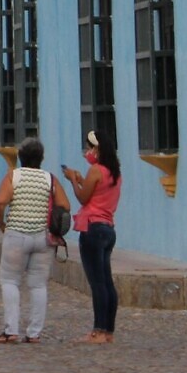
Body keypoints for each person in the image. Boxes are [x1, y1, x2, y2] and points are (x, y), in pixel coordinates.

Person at [0, 137, 68, 344]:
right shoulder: (49, 179)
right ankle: (34, 332)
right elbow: (65, 205)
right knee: (38, 285)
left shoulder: (14, 176)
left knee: (9, 281)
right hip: (43, 239)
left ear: (20, 157)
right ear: (41, 159)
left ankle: (11, 329)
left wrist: (1, 222)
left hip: (16, 234)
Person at [63, 129, 123, 344]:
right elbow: (96, 193)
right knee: (107, 282)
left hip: (92, 229)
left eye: (89, 148)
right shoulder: (114, 172)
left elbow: (83, 197)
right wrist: (81, 178)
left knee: (97, 283)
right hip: (108, 229)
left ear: (97, 149)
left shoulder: (96, 171)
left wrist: (72, 180)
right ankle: (108, 331)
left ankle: (97, 330)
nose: (87, 152)